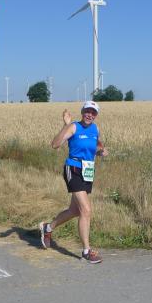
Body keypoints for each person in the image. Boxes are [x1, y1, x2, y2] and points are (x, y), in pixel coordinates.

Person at [39, 100, 108, 263]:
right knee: (86, 210)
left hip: (87, 171)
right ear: (82, 112)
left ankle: (48, 228)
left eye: (93, 112)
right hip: (73, 169)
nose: (90, 115)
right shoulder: (74, 127)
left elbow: (96, 145)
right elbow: (55, 144)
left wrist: (101, 151)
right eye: (87, 111)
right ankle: (86, 251)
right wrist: (66, 125)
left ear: (96, 115)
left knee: (75, 210)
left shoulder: (95, 128)